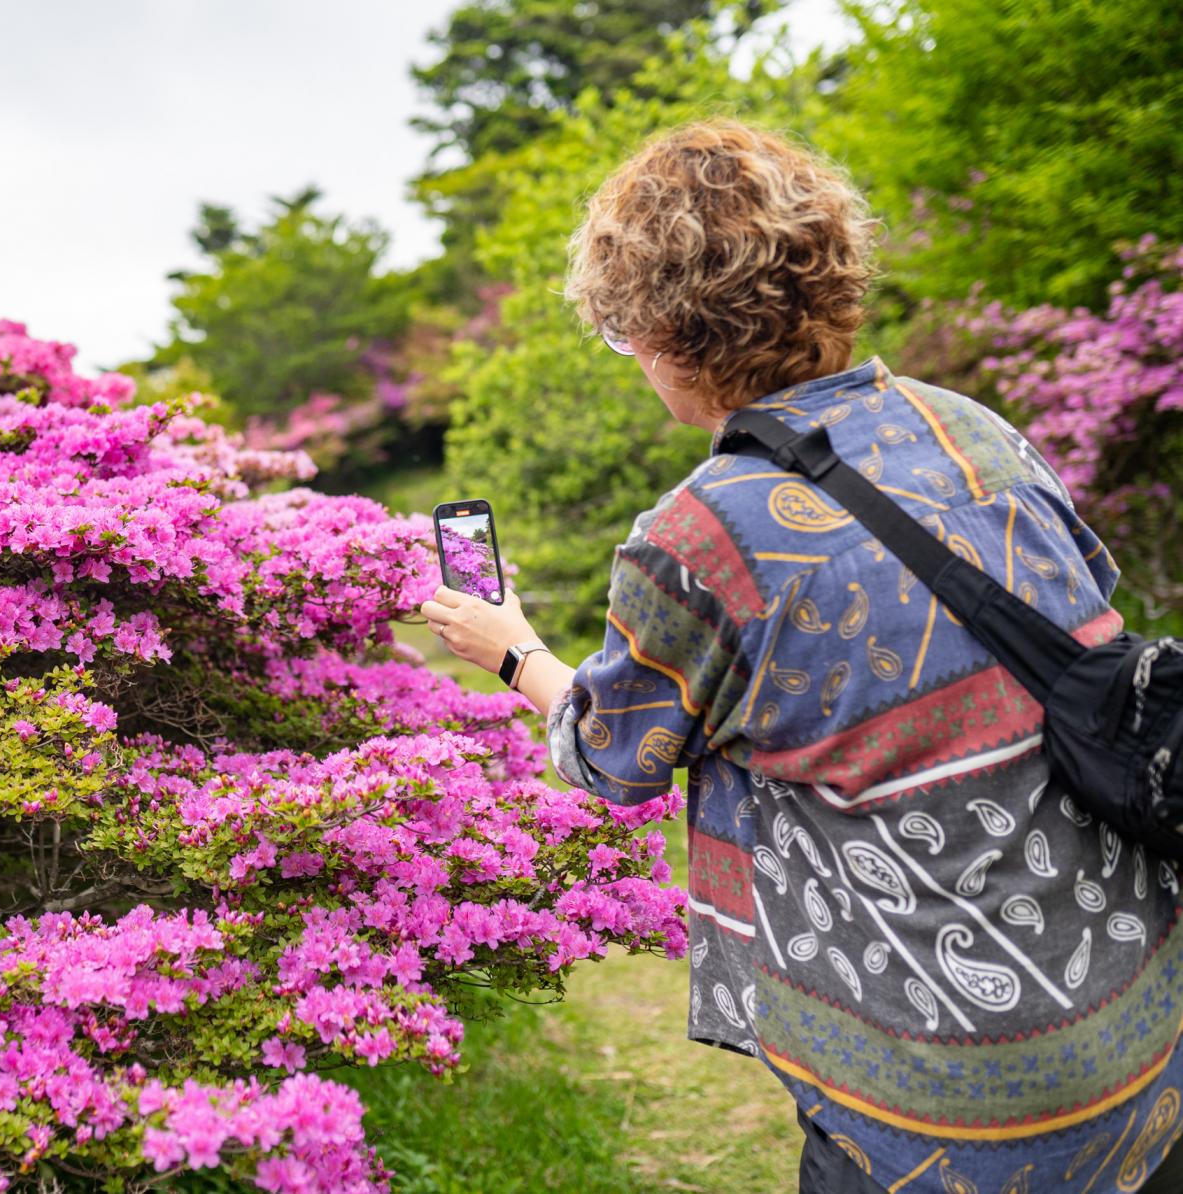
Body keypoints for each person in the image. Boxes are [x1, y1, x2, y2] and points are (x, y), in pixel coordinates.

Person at [422, 119, 1183, 1193]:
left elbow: (614, 759)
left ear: (670, 333)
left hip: (933, 1097)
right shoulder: (975, 430)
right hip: (1144, 1025)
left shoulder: (696, 538)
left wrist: (515, 654)